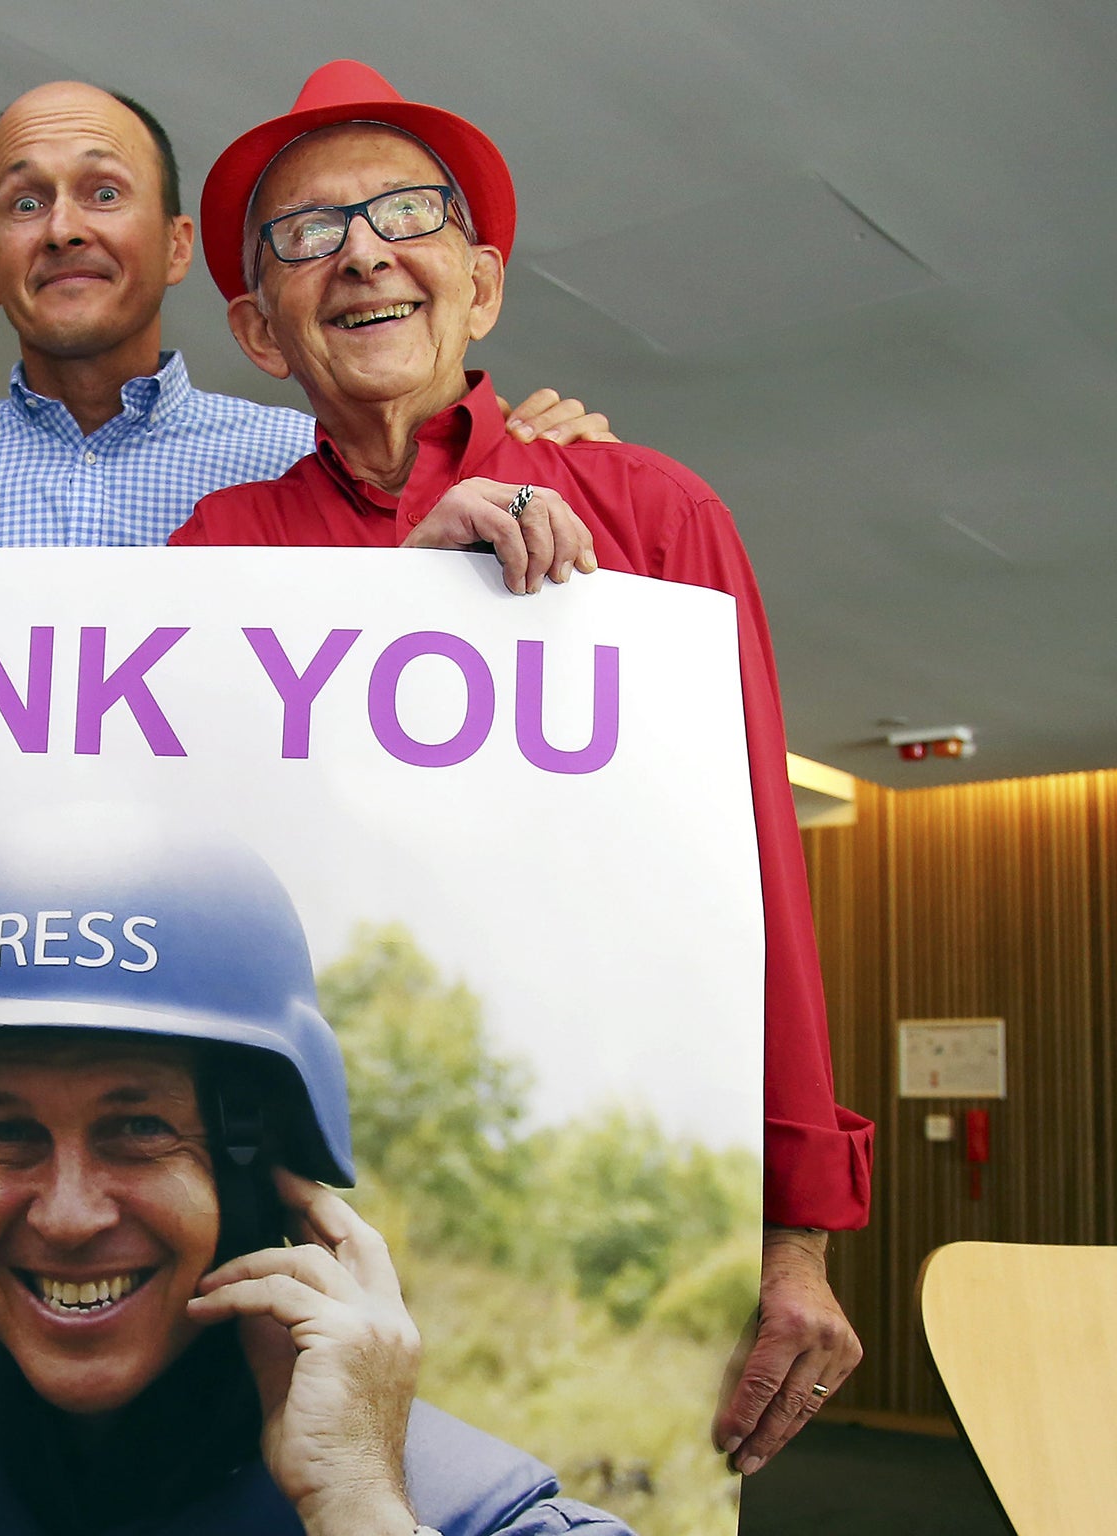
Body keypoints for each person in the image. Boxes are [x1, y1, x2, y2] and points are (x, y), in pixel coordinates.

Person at [169, 59, 875, 1472]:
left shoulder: (655, 514)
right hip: (283, 1206)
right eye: (307, 233)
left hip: (595, 1202)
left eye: (404, 215)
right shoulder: (213, 556)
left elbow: (755, 888)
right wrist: (389, 616)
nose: (362, 251)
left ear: (481, 288)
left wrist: (793, 1239)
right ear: (258, 329)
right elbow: (197, 879)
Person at [0, 805, 631, 1536]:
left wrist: (356, 1508)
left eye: (136, 1129)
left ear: (252, 1176)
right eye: (5, 1134)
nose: (70, 1212)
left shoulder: (471, 1513)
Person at [0, 80, 609, 556]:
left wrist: (530, 458)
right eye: (25, 203)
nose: (64, 228)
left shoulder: (304, 456)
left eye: (104, 193)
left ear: (177, 247)